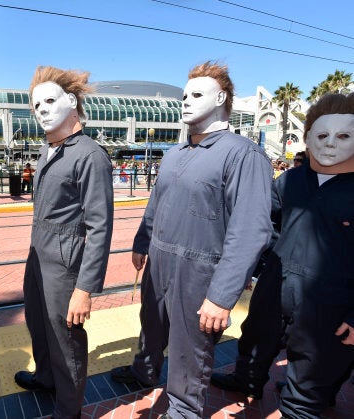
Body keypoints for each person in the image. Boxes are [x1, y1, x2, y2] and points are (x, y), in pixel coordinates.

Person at [114, 61, 273, 418]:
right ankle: (145, 371)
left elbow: (251, 230)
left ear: (221, 98)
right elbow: (156, 203)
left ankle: (183, 410)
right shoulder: (174, 155)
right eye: (184, 94)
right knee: (151, 325)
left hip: (200, 269)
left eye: (196, 94)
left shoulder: (243, 154)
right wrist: (142, 242)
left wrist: (221, 297)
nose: (185, 100)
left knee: (190, 351)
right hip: (160, 261)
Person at [212, 93, 354, 418]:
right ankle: (246, 381)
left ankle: (300, 405)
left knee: (312, 371)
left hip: (331, 300)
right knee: (255, 339)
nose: (331, 143)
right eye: (322, 134)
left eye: (344, 135)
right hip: (276, 283)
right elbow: (269, 225)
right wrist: (257, 267)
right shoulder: (290, 179)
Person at [14, 66, 114, 419]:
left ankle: (68, 410)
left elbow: (100, 227)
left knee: (66, 339)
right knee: (38, 324)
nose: (41, 109)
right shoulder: (49, 150)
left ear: (71, 102)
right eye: (35, 104)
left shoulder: (89, 155)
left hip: (66, 264)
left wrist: (85, 289)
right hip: (38, 257)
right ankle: (45, 377)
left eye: (49, 100)